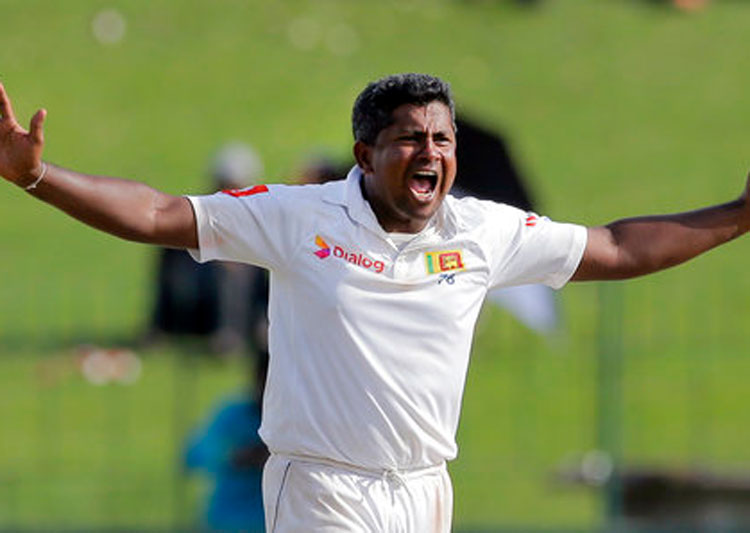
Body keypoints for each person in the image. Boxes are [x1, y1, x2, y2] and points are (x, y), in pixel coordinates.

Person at [1, 73, 748, 532]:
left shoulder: (483, 231)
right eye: (410, 139)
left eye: (442, 139)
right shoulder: (301, 217)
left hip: (424, 489)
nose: (431, 153)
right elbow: (162, 213)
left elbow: (617, 247)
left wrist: (738, 215)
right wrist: (39, 176)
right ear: (365, 155)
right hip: (322, 485)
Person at [146, 142, 269, 355]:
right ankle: (160, 329)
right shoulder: (193, 220)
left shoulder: (259, 228)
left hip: (242, 312)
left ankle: (229, 339)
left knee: (235, 268)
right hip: (193, 306)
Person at [184, 356, 269, 532]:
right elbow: (193, 455)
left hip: (275, 520)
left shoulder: (297, 421)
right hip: (228, 520)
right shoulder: (233, 415)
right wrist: (235, 456)